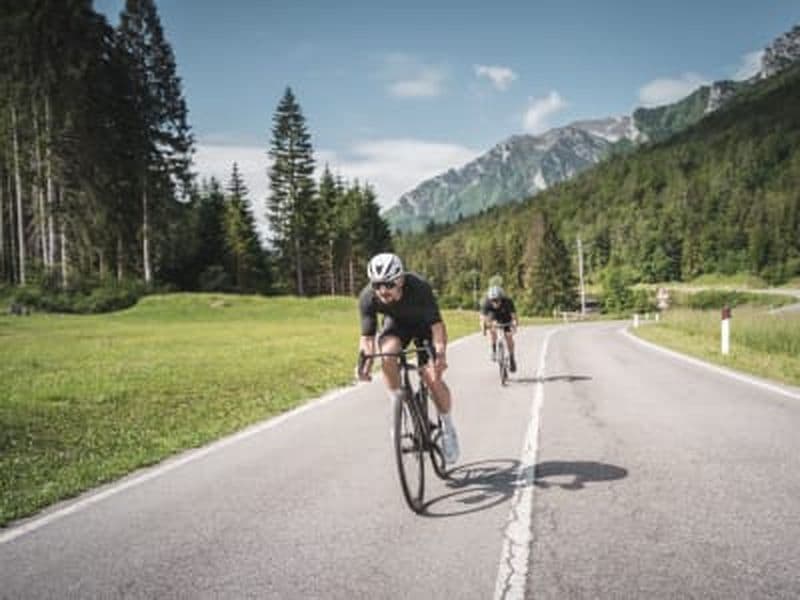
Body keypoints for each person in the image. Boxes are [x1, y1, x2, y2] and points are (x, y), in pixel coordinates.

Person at [356, 252, 460, 464]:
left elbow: (437, 328)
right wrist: (364, 364)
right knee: (387, 354)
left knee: (432, 378)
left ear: (400, 280)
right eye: (377, 285)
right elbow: (367, 339)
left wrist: (440, 354)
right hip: (397, 326)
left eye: (388, 284)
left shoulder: (420, 288)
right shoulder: (368, 297)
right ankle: (398, 404)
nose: (382, 291)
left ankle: (448, 427)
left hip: (424, 327)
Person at [479, 285, 518, 372]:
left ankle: (512, 358)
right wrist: (484, 329)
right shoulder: (486, 302)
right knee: (492, 330)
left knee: (509, 337)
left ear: (501, 298)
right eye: (493, 300)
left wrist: (514, 325)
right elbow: (482, 318)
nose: (495, 302)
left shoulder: (508, 301)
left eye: (497, 300)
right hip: (493, 317)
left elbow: (514, 316)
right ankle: (493, 350)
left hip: (506, 317)